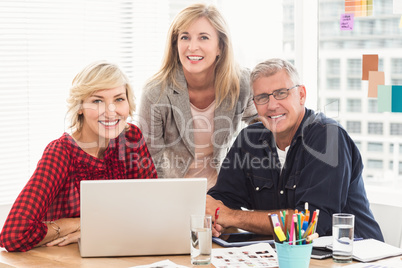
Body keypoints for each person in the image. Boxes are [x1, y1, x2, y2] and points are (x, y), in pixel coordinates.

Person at [206, 58, 384, 241]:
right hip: (282, 256)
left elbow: (309, 224)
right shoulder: (249, 140)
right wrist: (214, 220)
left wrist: (230, 216)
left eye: (281, 93)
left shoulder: (328, 137)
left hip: (352, 257)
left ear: (301, 95)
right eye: (262, 97)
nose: (272, 105)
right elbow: (219, 202)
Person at [0, 61, 157, 252]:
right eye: (97, 101)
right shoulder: (61, 153)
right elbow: (13, 236)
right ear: (80, 107)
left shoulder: (131, 137)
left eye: (119, 99)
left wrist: (97, 227)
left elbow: (150, 209)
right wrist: (77, 224)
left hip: (116, 253)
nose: (111, 111)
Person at [138, 3, 257, 190]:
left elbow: (261, 129)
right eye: (185, 37)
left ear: (220, 47)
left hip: (225, 193)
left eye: (203, 38)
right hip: (174, 192)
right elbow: (151, 164)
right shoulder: (155, 92)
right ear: (176, 44)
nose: (192, 47)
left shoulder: (241, 83)